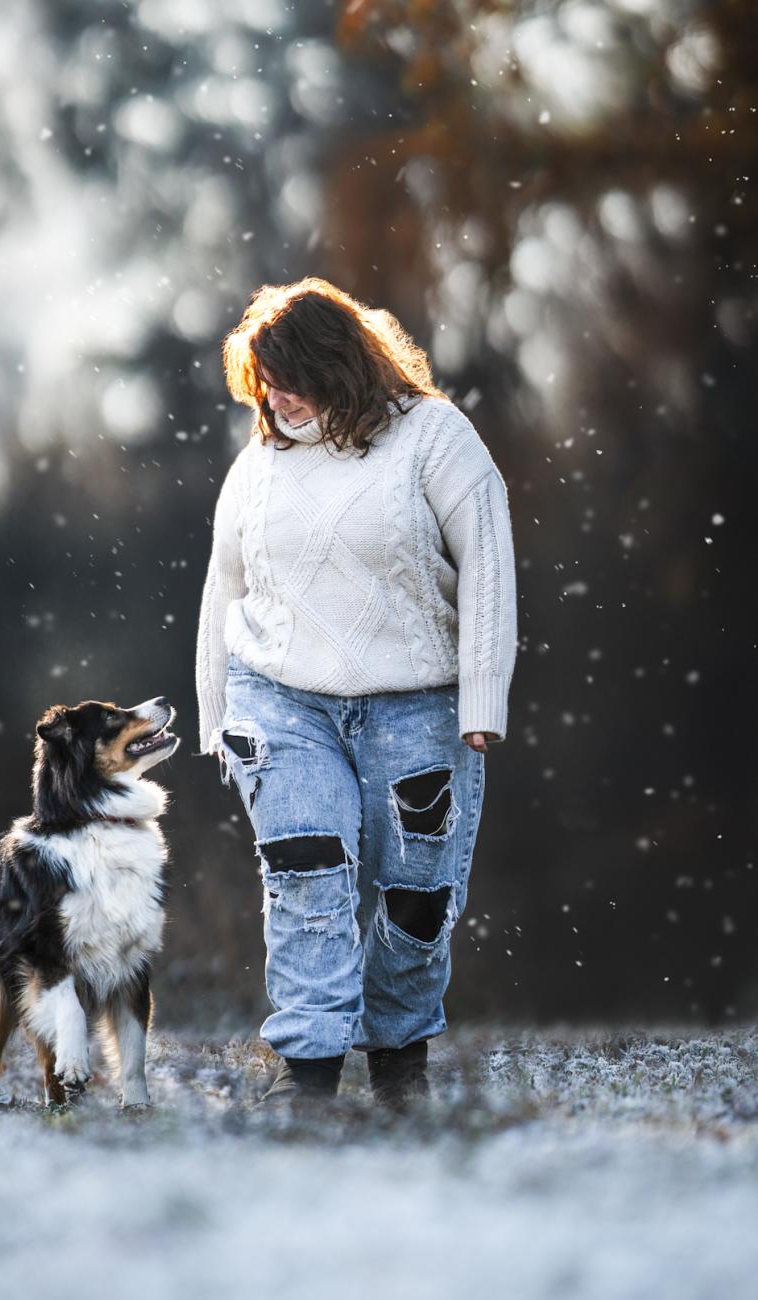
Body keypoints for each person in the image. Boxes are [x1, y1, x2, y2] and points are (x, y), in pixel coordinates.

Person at [194, 277, 518, 1112]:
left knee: (416, 898)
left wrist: (483, 701)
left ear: (340, 365)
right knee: (308, 879)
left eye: (289, 376)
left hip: (419, 700)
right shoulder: (259, 464)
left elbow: (488, 557)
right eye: (262, 380)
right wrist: (215, 717)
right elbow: (223, 590)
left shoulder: (434, 438)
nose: (274, 396)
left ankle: (398, 1064)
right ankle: (308, 1079)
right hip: (282, 702)